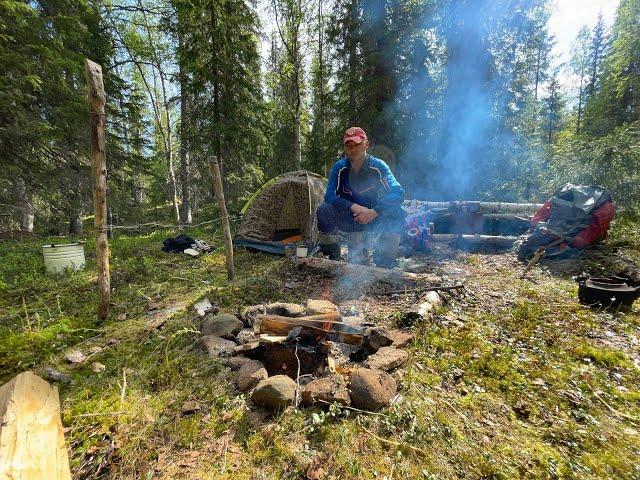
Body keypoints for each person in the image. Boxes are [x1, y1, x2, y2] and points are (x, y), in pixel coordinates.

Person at [316, 126, 406, 268]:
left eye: (357, 144)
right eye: (349, 146)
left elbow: (398, 192)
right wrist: (352, 206)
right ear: (345, 149)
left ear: (366, 144)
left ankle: (385, 257)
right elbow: (329, 196)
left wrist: (374, 212)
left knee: (398, 212)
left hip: (374, 218)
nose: (353, 149)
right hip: (350, 218)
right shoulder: (340, 168)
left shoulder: (378, 167)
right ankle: (332, 251)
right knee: (324, 210)